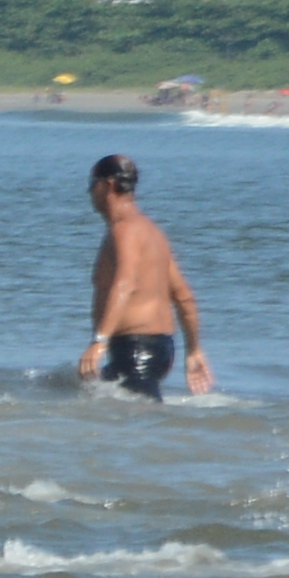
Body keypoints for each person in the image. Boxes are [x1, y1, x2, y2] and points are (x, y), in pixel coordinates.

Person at [81, 154, 213, 396]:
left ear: (109, 185)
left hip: (135, 350)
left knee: (135, 420)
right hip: (160, 349)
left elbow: (125, 283)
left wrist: (99, 340)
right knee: (86, 395)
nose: (89, 192)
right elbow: (183, 295)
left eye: (92, 184)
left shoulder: (125, 230)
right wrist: (194, 350)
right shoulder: (153, 233)